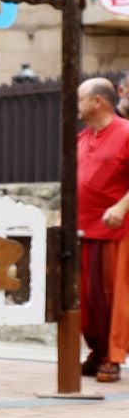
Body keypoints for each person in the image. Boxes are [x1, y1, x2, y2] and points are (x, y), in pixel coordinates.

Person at [77, 75, 129, 383]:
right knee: (88, 296)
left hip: (117, 230)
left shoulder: (125, 133)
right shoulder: (81, 138)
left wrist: (121, 207)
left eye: (80, 98)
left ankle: (114, 355)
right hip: (84, 229)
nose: (77, 105)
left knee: (115, 295)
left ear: (98, 101)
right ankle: (97, 352)